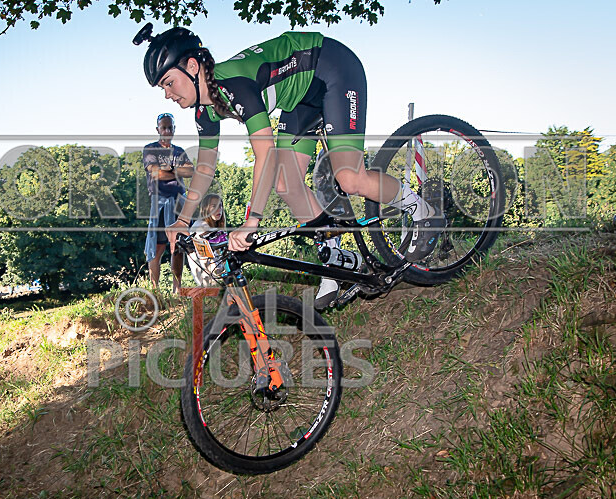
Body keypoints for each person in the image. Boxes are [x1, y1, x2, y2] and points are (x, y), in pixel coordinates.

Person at [135, 25, 445, 308]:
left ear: (192, 67)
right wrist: (182, 220)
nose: (167, 94)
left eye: (168, 83)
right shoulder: (205, 111)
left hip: (332, 68)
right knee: (286, 184)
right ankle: (335, 262)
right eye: (163, 88)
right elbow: (205, 167)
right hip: (300, 100)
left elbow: (265, 154)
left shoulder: (235, 84)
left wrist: (252, 220)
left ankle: (425, 213)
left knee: (349, 178)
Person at [142, 113, 194, 293]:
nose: (167, 131)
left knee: (178, 246)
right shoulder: (150, 149)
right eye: (163, 127)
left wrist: (169, 169)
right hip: (159, 203)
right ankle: (154, 291)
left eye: (170, 127)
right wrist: (177, 170)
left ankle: (177, 290)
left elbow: (191, 171)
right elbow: (156, 174)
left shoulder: (179, 151)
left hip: (179, 202)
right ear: (157, 129)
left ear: (174, 129)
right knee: (157, 247)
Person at [186, 193, 227, 287]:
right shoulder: (201, 228)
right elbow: (206, 260)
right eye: (214, 206)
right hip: (210, 279)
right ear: (205, 208)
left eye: (220, 206)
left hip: (212, 276)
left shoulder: (209, 226)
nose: (219, 210)